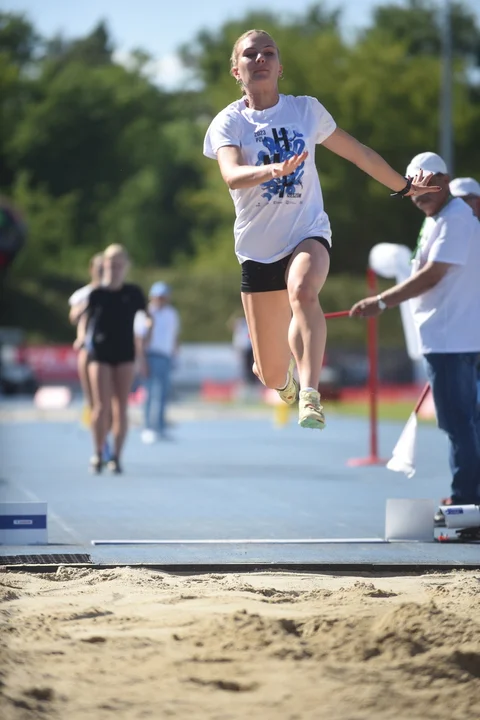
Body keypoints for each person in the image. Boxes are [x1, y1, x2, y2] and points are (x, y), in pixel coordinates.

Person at [203, 28, 437, 431]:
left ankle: (310, 393)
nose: (260, 59)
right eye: (250, 55)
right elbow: (231, 175)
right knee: (270, 372)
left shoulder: (305, 111)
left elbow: (359, 153)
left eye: (268, 53)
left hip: (306, 232)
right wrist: (273, 169)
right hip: (258, 251)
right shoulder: (229, 122)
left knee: (303, 290)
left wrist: (402, 186)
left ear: (280, 68)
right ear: (235, 70)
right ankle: (288, 384)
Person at [350, 152, 480, 518]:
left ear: (446, 179)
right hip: (448, 337)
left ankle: (467, 501)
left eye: (426, 185)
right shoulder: (439, 218)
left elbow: (432, 275)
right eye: (412, 190)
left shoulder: (455, 219)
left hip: (451, 340)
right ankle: (469, 496)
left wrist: (381, 301)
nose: (419, 195)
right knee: (464, 421)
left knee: (459, 423)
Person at [85, 244, 148, 473]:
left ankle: (117, 457)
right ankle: (98, 451)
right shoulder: (96, 294)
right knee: (101, 406)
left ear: (126, 266)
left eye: (120, 263)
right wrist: (82, 339)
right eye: (111, 263)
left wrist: (145, 341)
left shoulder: (133, 293)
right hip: (100, 353)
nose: (115, 267)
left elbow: (147, 318)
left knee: (121, 406)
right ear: (104, 265)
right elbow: (84, 321)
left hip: (125, 352)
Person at [134, 282, 180, 443]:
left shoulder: (171, 313)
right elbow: (139, 339)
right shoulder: (145, 313)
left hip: (166, 357)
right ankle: (147, 427)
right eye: (158, 296)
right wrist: (142, 361)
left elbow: (174, 337)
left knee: (162, 394)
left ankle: (160, 427)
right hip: (150, 356)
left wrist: (175, 356)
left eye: (163, 296)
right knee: (149, 394)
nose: (161, 299)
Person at [68, 253, 104, 424]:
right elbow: (75, 318)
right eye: (99, 268)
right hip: (90, 348)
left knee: (108, 397)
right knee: (92, 398)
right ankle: (98, 439)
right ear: (92, 269)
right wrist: (87, 304)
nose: (103, 271)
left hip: (110, 349)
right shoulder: (84, 294)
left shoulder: (115, 292)